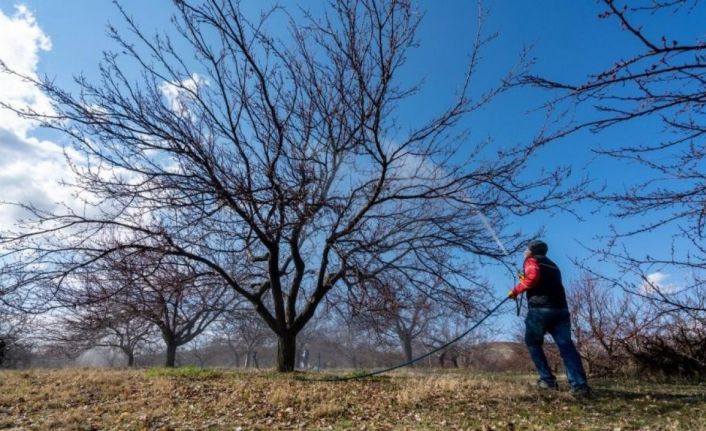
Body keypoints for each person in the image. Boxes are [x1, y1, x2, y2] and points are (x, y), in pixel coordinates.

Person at [508, 239, 591, 398]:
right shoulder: (553, 265)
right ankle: (580, 386)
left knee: (533, 342)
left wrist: (516, 290)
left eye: (526, 249)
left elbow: (533, 278)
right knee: (566, 346)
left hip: (540, 310)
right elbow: (538, 280)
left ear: (532, 250)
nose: (524, 252)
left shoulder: (531, 260)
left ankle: (547, 380)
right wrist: (525, 280)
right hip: (561, 310)